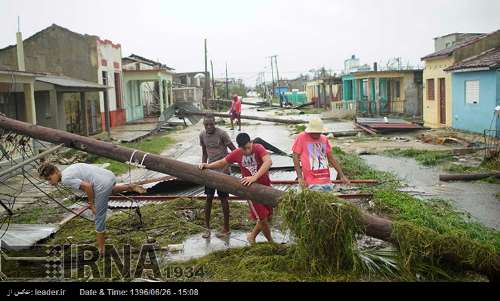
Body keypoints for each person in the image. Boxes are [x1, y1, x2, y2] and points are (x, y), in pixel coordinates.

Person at [38, 162, 146, 255]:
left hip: (102, 185)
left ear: (56, 172)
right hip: (109, 176)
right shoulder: (69, 169)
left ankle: (101, 249)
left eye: (49, 179)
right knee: (108, 189)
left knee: (99, 217)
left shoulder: (66, 179)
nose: (50, 182)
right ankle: (130, 186)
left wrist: (91, 204)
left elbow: (87, 186)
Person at [199, 133, 273, 244]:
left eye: (248, 147)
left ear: (251, 142)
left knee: (269, 216)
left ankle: (252, 236)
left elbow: (268, 161)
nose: (247, 151)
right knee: (262, 218)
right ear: (239, 147)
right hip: (250, 190)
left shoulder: (258, 148)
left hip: (265, 186)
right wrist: (207, 165)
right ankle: (271, 243)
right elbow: (222, 162)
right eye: (244, 149)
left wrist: (254, 177)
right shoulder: (237, 153)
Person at [199, 115, 236, 239]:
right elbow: (204, 152)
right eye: (206, 125)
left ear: (215, 123)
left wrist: (227, 167)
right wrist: (203, 165)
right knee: (208, 198)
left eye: (211, 124)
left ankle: (226, 228)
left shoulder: (222, 134)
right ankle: (207, 228)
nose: (209, 127)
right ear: (204, 125)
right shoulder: (202, 135)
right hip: (210, 171)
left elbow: (234, 152)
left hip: (223, 172)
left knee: (223, 199)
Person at [292, 118, 350, 192]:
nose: (317, 134)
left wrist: (342, 175)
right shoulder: (301, 137)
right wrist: (300, 177)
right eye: (315, 132)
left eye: (319, 132)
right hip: (311, 182)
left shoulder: (324, 139)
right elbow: (295, 156)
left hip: (325, 180)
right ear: (310, 131)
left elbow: (331, 158)